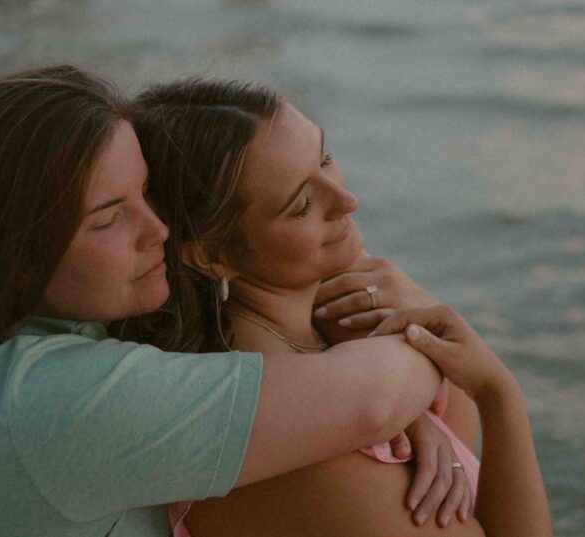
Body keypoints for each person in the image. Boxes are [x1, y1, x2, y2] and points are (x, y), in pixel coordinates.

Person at [0, 65, 469, 537]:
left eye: (147, 194)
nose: (159, 230)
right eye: (110, 218)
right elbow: (371, 401)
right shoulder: (53, 402)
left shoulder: (32, 364)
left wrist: (384, 402)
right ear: (19, 259)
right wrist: (411, 353)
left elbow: (357, 401)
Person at [123, 78, 552, 536]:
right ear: (213, 254)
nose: (347, 200)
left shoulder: (339, 341)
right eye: (302, 205)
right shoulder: (307, 452)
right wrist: (500, 395)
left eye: (324, 158)